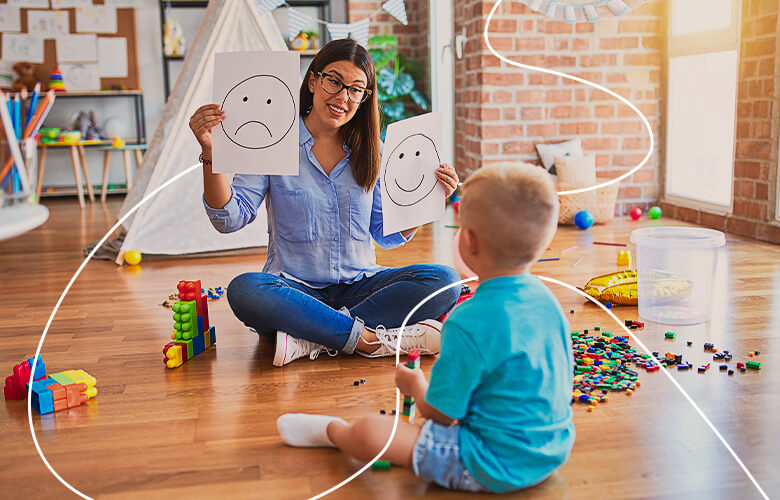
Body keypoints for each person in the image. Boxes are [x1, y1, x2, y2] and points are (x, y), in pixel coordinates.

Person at [276, 163, 575, 493]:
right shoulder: (549, 301)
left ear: (469, 242)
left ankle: (333, 431)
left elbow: (441, 416)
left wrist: (416, 385)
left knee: (372, 433)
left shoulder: (468, 321)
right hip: (553, 449)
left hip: (491, 462)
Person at [189, 39, 461, 367]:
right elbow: (229, 218)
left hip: (360, 285)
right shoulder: (272, 140)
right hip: (293, 290)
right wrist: (211, 155)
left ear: (364, 98)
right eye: (334, 81)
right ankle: (367, 339)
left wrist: (425, 200)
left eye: (356, 89)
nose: (343, 97)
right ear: (313, 80)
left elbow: (385, 233)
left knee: (444, 281)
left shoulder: (374, 149)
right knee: (245, 289)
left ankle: (309, 338)